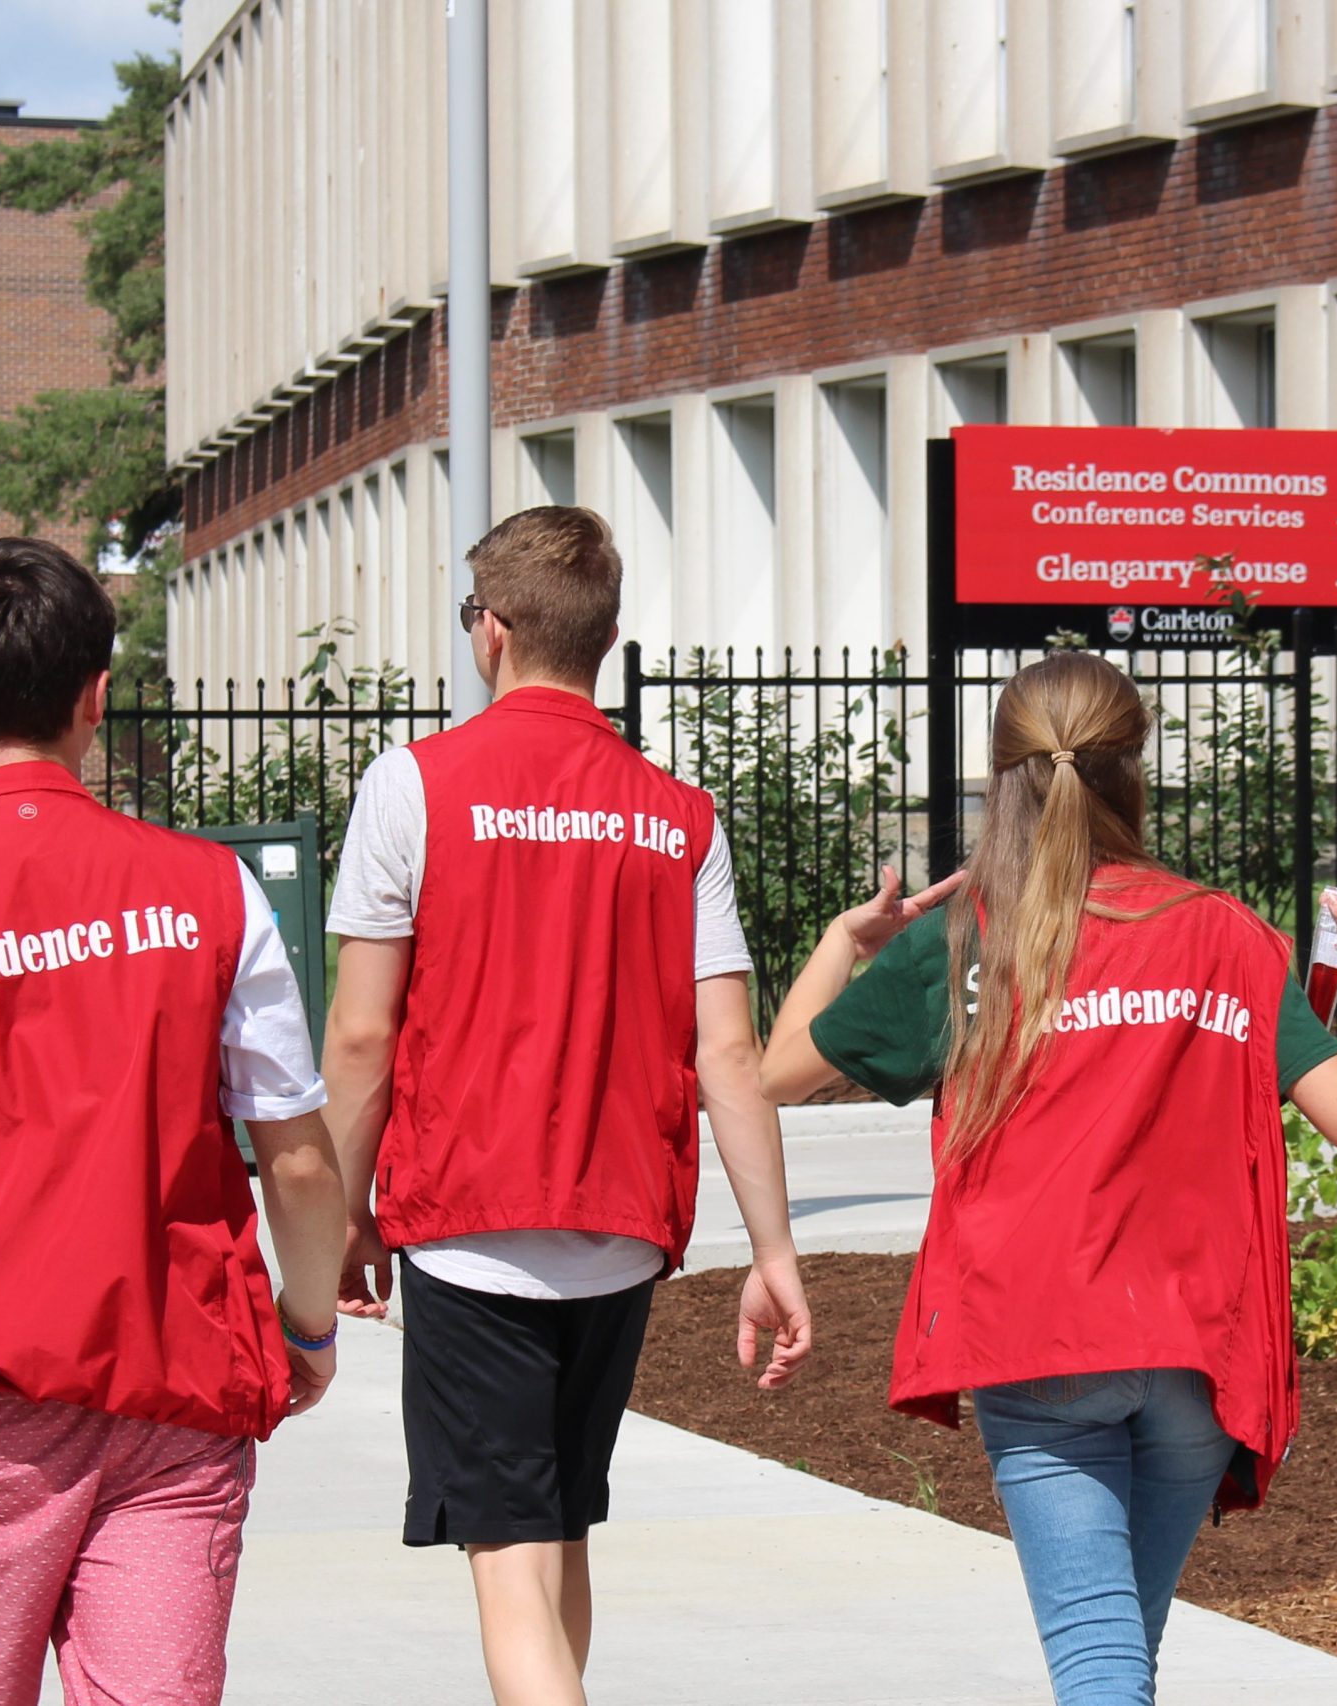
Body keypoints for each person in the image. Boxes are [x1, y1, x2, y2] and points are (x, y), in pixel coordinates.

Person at [761, 651, 1337, 1706]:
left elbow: (775, 1070)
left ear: (1000, 780)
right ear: (1133, 773)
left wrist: (845, 939)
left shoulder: (970, 942)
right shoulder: (1224, 934)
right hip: (1196, 1348)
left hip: (1041, 1339)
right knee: (1118, 1658)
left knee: (1101, 1667)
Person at [0, 537, 349, 1705]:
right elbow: (295, 1155)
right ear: (98, 692)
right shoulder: (214, 889)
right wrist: (306, 1328)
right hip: (172, 1381)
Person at [322, 505, 812, 1706]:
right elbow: (729, 1052)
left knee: (508, 1561)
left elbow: (360, 1031)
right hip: (615, 1231)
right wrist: (772, 1246)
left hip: (468, 1219)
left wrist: (339, 1210)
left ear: (491, 631)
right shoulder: (678, 814)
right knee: (560, 1529)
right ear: (602, 633)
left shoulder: (414, 786)